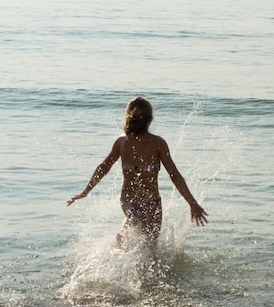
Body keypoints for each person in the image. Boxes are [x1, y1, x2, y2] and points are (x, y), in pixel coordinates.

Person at [67, 96, 207, 255]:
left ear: (128, 117)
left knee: (130, 233)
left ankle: (113, 251)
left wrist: (86, 191)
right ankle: (144, 273)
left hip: (128, 201)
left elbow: (103, 168)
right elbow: (174, 175)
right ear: (150, 119)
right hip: (151, 202)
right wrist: (192, 203)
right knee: (150, 249)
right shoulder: (158, 143)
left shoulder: (122, 142)